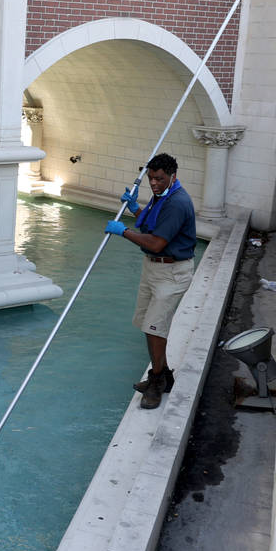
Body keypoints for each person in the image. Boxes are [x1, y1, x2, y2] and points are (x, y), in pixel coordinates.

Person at [102, 153, 196, 409]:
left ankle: (156, 382)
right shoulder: (163, 195)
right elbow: (153, 223)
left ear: (173, 177)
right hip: (154, 269)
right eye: (151, 179)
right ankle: (164, 374)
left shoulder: (178, 202)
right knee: (148, 324)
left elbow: (156, 242)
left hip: (171, 271)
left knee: (155, 327)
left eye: (159, 179)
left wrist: (124, 232)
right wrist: (135, 209)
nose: (153, 184)